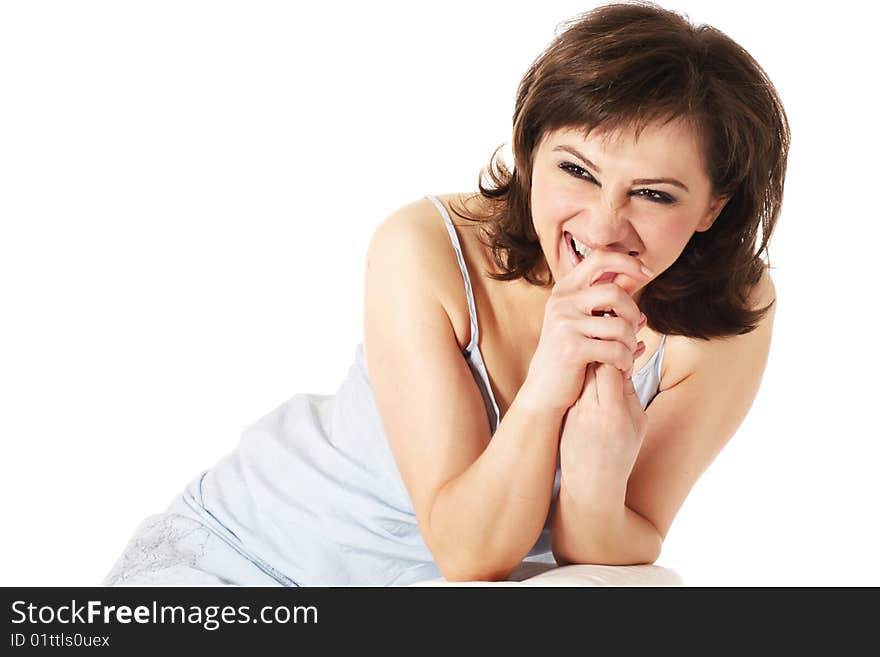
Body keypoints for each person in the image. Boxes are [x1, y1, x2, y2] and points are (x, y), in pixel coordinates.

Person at [103, 1, 789, 586]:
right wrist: (549, 388)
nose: (605, 224)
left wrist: (596, 467)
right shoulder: (423, 247)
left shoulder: (727, 320)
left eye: (653, 193)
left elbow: (600, 553)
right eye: (576, 170)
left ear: (712, 208)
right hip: (251, 562)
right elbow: (467, 550)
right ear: (528, 152)